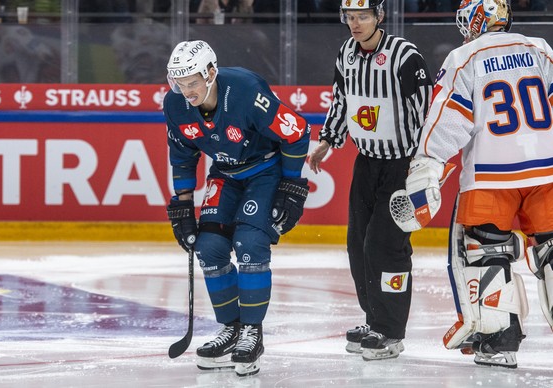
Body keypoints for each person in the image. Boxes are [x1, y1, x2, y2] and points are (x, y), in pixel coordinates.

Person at [393, 0, 553, 368]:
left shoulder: (465, 57)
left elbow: (448, 119)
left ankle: (498, 340)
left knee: (485, 252)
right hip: (547, 173)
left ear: (471, 21)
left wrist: (427, 165)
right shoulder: (540, 48)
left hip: (491, 174)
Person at [164, 40, 310, 376]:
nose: (186, 91)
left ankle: (252, 332)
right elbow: (183, 156)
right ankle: (231, 328)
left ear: (211, 73)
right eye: (179, 83)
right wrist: (183, 204)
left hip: (265, 170)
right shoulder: (174, 105)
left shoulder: (246, 90)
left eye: (192, 82)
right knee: (210, 247)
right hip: (226, 175)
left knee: (249, 243)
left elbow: (297, 131)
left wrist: (290, 185)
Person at [308, 0, 433, 361]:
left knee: (386, 246)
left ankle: (391, 331)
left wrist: (424, 162)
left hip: (401, 166)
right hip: (366, 163)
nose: (355, 23)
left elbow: (426, 110)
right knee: (357, 244)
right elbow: (341, 100)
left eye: (363, 16)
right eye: (350, 16)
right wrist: (328, 141)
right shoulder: (346, 52)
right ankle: (374, 318)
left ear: (379, 16)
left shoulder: (404, 55)